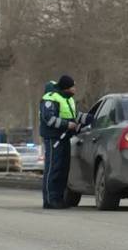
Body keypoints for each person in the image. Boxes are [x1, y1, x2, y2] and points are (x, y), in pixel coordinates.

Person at [39, 75, 92, 209]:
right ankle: (50, 200)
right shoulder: (50, 98)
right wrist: (67, 125)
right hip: (54, 138)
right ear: (66, 87)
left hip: (65, 138)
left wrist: (93, 118)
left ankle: (59, 199)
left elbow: (75, 116)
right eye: (73, 86)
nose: (75, 88)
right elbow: (49, 119)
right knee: (53, 168)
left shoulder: (68, 100)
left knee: (63, 169)